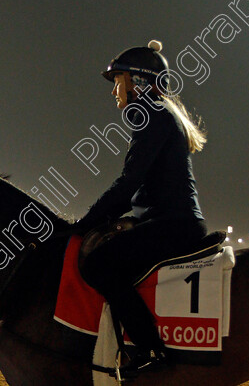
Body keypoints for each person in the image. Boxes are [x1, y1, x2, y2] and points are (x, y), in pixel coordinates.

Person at [76, 40, 208, 378]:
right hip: (172, 221)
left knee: (97, 264)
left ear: (139, 82)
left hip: (173, 225)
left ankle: (150, 350)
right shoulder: (159, 115)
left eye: (118, 81)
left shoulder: (154, 117)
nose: (114, 91)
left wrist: (83, 223)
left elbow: (127, 185)